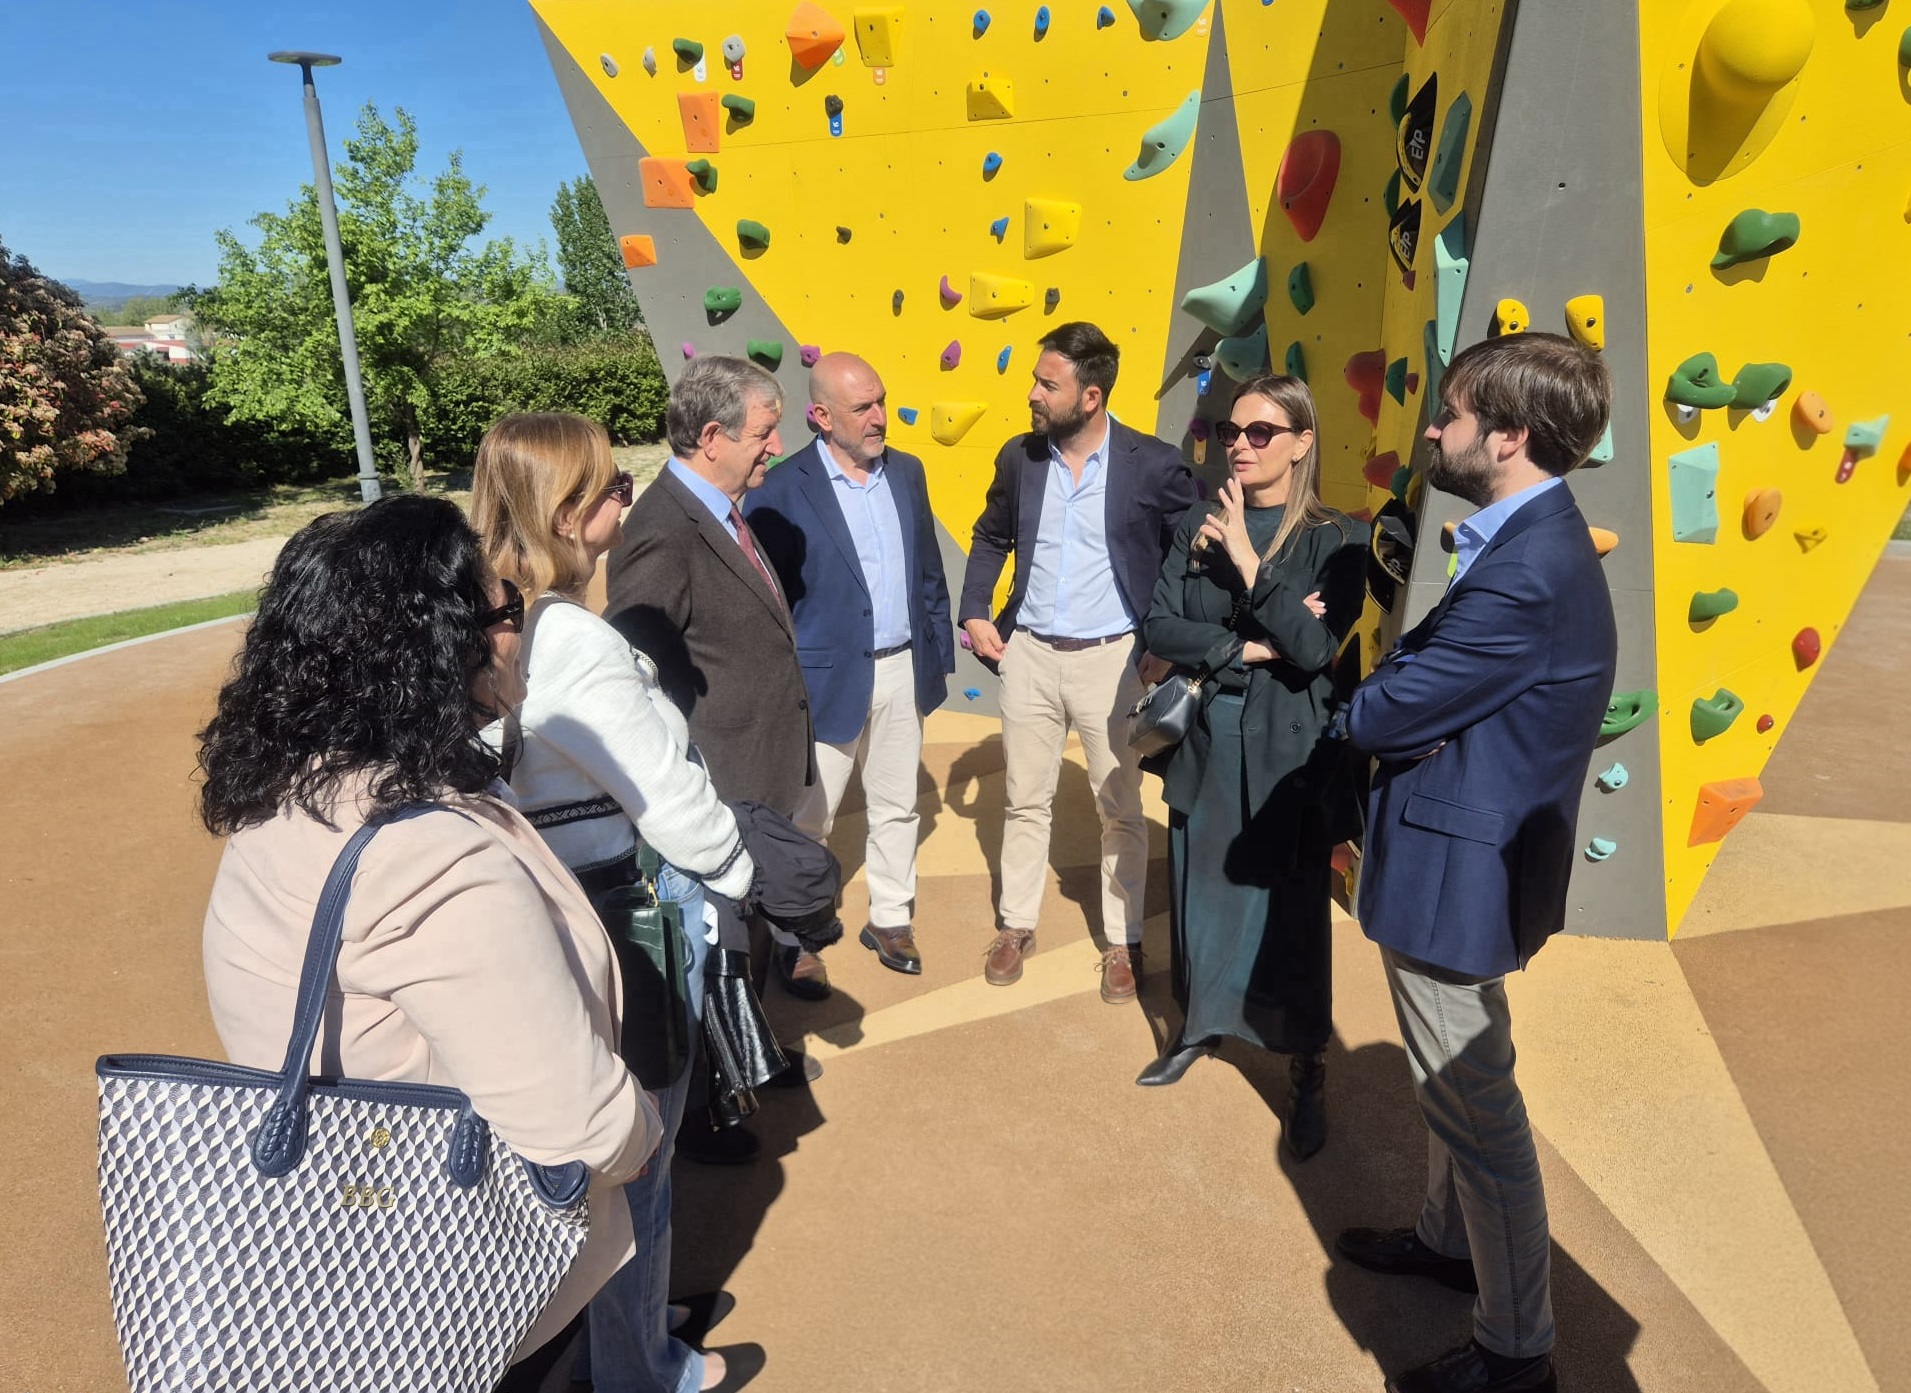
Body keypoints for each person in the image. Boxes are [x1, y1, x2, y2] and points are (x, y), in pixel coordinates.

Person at [195, 496, 662, 1392]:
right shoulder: (432, 858)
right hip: (466, 1282)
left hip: (347, 1225)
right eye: (506, 610)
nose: (517, 631)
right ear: (447, 649)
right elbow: (576, 1122)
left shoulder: (287, 792)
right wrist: (641, 1134)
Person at [1335, 333, 1616, 1393]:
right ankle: (1447, 1242)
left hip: (1460, 874)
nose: (1436, 430)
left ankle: (1516, 1351)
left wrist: (1391, 705)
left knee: (1479, 1114)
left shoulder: (1526, 572)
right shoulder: (1532, 538)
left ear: (1511, 435)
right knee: (1456, 1083)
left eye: (1451, 415)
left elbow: (1382, 707)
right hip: (1472, 857)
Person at [470, 413, 763, 1393]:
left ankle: (623, 1328)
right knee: (638, 1150)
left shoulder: (498, 619)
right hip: (618, 910)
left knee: (593, 1155)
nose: (628, 496)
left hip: (548, 910)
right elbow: (674, 799)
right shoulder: (575, 640)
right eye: (611, 484)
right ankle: (641, 1366)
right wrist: (739, 881)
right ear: (566, 512)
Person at [1135, 376, 1368, 1161]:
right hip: (1207, 731)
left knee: (1289, 912)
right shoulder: (1194, 524)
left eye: (1261, 431)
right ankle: (1197, 1026)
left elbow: (1312, 651)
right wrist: (1245, 644)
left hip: (1287, 752)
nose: (1238, 443)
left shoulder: (1336, 540)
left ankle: (1306, 1064)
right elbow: (1159, 621)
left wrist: (1243, 558)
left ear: (1303, 441)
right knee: (1199, 889)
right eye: (1232, 430)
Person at [605, 355, 816, 1165]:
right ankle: (705, 1109)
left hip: (755, 774)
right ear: (711, 436)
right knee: (709, 955)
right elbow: (635, 674)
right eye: (764, 433)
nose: (775, 447)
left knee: (746, 943)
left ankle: (746, 1059)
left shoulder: (723, 508)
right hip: (713, 794)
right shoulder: (664, 527)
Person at [959, 322, 1198, 999]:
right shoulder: (1020, 458)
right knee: (1023, 798)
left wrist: (1166, 640)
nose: (1032, 393)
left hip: (1114, 661)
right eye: (1036, 379)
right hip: (1029, 653)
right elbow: (989, 533)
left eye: (1046, 383)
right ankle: (1015, 925)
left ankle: (1121, 943)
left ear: (1090, 397)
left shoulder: (1153, 464)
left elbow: (1188, 556)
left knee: (1117, 806)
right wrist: (976, 606)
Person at [743, 353, 955, 975]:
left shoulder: (908, 474)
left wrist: (934, 652)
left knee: (897, 805)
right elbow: (765, 600)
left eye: (881, 401)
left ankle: (891, 921)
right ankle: (796, 938)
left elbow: (929, 574)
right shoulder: (779, 490)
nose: (880, 417)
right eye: (863, 408)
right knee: (811, 816)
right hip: (821, 682)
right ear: (820, 415)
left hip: (900, 670)